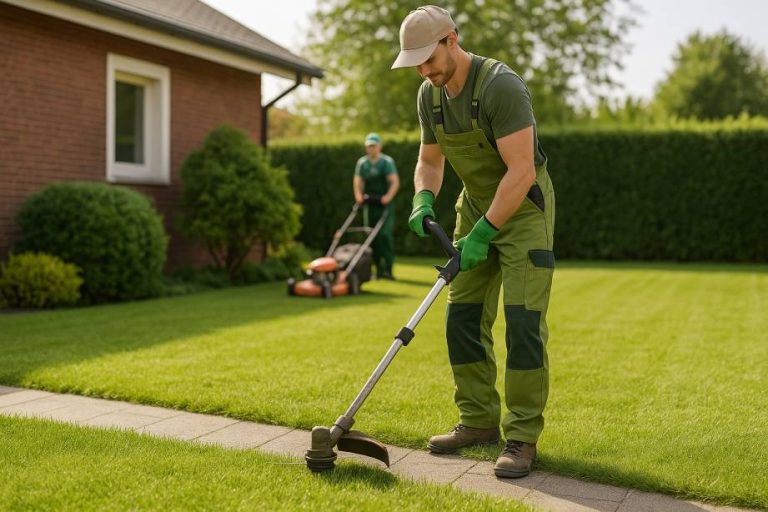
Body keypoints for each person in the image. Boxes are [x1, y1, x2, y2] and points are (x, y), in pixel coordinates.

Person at [392, 5, 555, 478]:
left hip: (524, 212)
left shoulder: (501, 86)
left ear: (452, 39)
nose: (424, 71)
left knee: (523, 322)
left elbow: (521, 171)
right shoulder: (430, 96)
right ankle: (478, 421)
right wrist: (423, 197)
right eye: (416, 64)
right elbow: (430, 160)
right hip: (475, 207)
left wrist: (485, 232)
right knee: (461, 316)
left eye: (429, 59)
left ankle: (521, 436)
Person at [353, 132, 400, 279]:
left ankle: (388, 270)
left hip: (384, 205)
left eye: (374, 145)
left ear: (379, 146)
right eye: (369, 146)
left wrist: (388, 197)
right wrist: (359, 196)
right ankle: (378, 270)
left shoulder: (386, 162)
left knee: (384, 236)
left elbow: (394, 182)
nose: (371, 148)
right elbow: (358, 181)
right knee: (371, 237)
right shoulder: (362, 163)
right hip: (369, 205)